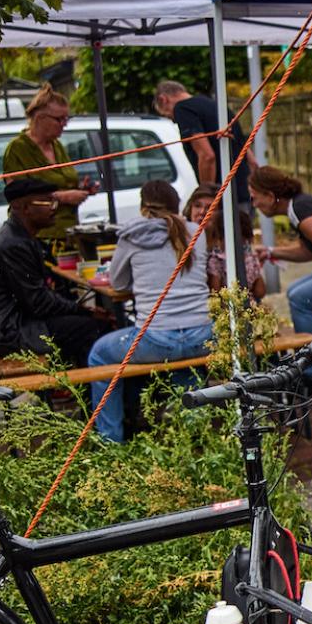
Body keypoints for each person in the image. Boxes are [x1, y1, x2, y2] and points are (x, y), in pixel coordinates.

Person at [85, 180, 215, 442]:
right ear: (177, 205)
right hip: (204, 336)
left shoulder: (131, 237)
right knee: (183, 364)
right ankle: (195, 436)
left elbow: (119, 283)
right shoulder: (196, 232)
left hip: (156, 339)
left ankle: (111, 441)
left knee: (99, 355)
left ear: (143, 206)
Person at [0, 177, 111, 376]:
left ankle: (87, 394)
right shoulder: (13, 244)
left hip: (15, 323)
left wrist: (78, 309)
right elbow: (39, 303)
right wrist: (83, 311)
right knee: (91, 329)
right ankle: (95, 398)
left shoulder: (19, 236)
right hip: (8, 332)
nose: (54, 208)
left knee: (82, 324)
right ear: (25, 208)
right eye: (48, 202)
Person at [245, 166, 312, 339]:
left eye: (254, 198)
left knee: (300, 298)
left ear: (271, 197)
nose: (254, 204)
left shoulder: (300, 210)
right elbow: (308, 252)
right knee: (294, 291)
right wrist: (271, 252)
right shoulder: (297, 206)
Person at [2, 85, 93, 242]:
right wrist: (63, 197)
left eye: (67, 118)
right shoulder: (18, 149)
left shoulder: (56, 146)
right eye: (59, 119)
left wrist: (80, 189)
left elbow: (60, 182)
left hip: (68, 233)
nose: (65, 124)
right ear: (39, 118)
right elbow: (16, 196)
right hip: (39, 237)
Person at [154, 81, 253, 205]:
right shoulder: (217, 106)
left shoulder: (183, 109)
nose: (174, 120)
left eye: (169, 116)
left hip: (222, 197)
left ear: (163, 99)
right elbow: (249, 155)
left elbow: (207, 156)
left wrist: (205, 196)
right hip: (244, 193)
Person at [186, 184, 266, 300]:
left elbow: (259, 291)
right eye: (197, 206)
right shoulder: (182, 240)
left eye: (210, 208)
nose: (202, 212)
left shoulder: (228, 245)